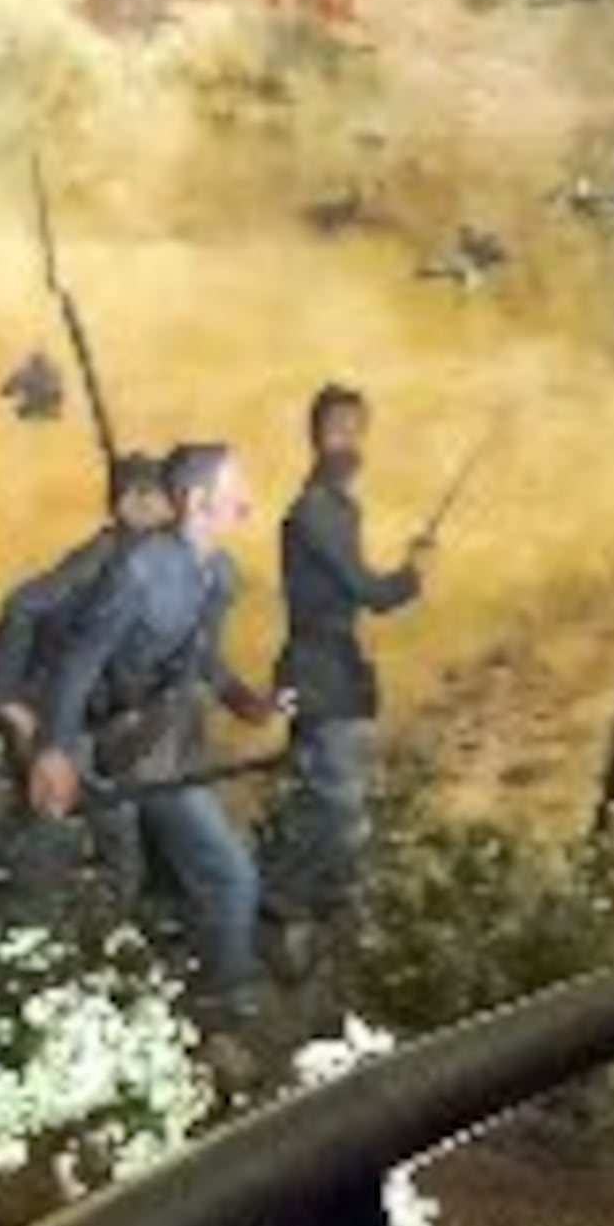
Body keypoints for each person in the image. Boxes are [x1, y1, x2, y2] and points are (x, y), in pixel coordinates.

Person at [14, 444, 278, 1028]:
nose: (248, 502)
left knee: (166, 880)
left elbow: (205, 657)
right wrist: (53, 750)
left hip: (173, 743)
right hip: (123, 745)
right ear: (198, 501)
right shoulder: (137, 571)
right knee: (227, 874)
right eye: (235, 489)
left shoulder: (220, 574)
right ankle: (221, 1004)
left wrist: (245, 702)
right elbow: (81, 660)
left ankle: (190, 999)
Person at [260, 383, 430, 953]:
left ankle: (324, 918)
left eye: (358, 431)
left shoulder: (339, 509)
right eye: (339, 430)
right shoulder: (315, 512)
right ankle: (283, 908)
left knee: (337, 803)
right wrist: (411, 574)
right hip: (316, 673)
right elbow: (369, 592)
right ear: (316, 436)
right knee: (335, 806)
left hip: (340, 670)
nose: (350, 443)